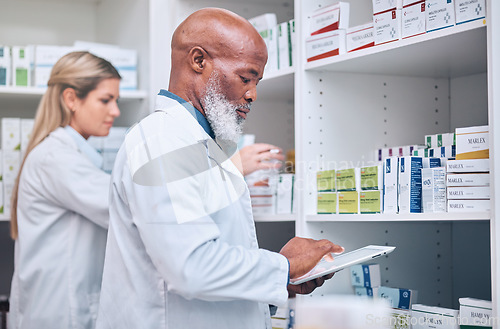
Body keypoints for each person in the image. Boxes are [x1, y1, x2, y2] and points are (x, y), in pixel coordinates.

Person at [95, 8, 343, 329]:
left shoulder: (203, 143)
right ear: (199, 61)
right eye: (245, 78)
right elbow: (192, 267)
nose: (252, 94)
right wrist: (282, 266)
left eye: (257, 81)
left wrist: (280, 280)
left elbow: (214, 260)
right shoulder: (160, 139)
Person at [8, 51, 121, 329]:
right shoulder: (56, 159)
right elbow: (125, 205)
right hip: (59, 314)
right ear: (71, 99)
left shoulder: (67, 155)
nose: (115, 111)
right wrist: (223, 172)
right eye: (106, 100)